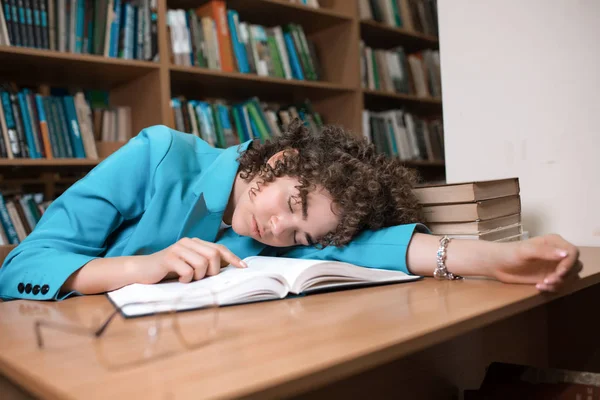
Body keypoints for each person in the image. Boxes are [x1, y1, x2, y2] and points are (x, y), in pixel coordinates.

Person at [0, 121, 582, 301]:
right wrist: (140, 266)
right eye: (291, 204)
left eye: (301, 232)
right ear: (278, 160)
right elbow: (22, 264)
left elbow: (387, 248)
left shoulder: (285, 234)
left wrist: (504, 259)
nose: (278, 229)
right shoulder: (158, 156)